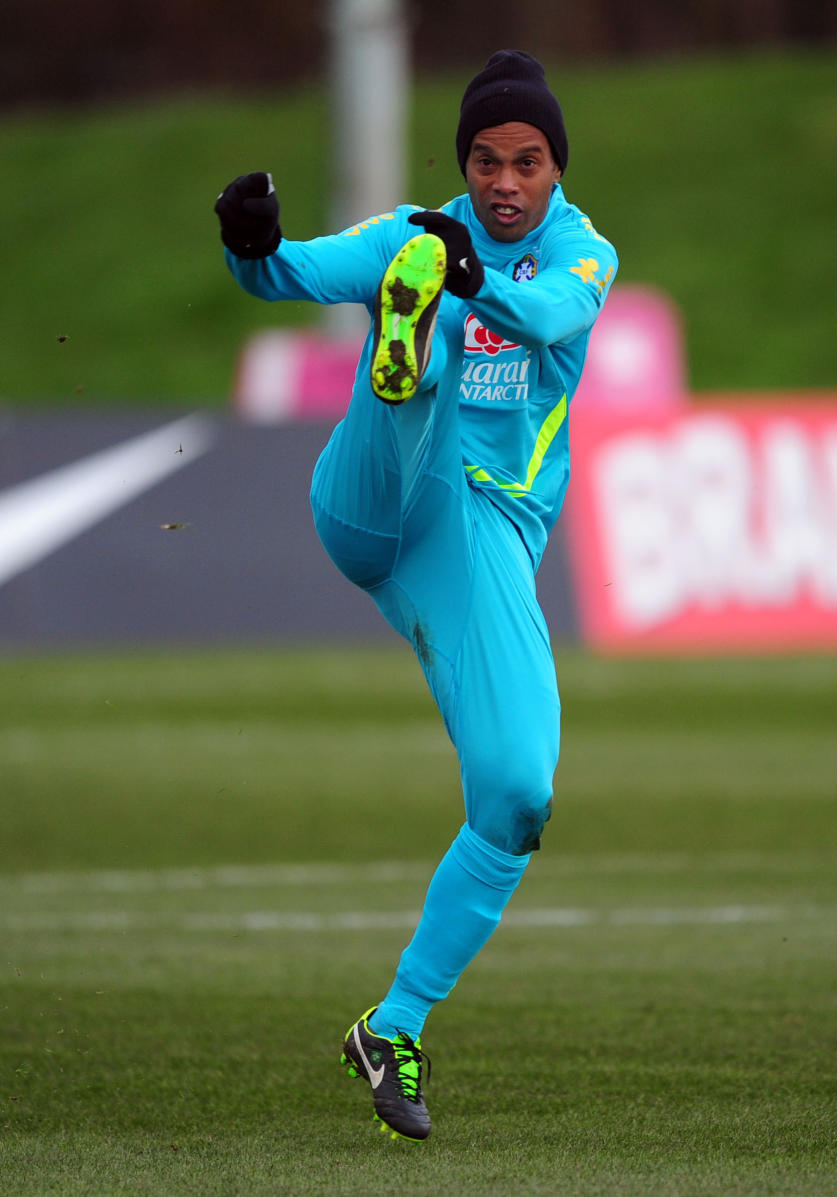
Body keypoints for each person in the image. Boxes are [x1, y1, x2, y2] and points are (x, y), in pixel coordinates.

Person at [214, 49, 618, 1142]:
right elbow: (286, 276)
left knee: (519, 791)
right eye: (485, 161)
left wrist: (465, 279)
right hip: (369, 494)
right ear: (463, 165)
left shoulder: (585, 256)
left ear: (553, 172)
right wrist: (250, 242)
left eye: (525, 163)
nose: (502, 183)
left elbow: (544, 321)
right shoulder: (417, 234)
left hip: (474, 541)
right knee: (418, 319)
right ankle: (406, 361)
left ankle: (392, 1026)